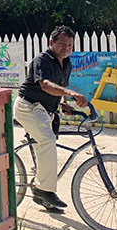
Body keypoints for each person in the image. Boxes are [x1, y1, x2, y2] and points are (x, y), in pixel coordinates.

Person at [14, 25, 88, 211]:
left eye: (70, 45)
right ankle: (44, 190)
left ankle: (42, 195)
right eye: (62, 43)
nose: (66, 48)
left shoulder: (67, 63)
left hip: (46, 110)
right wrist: (71, 93)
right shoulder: (42, 59)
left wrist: (63, 103)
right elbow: (46, 85)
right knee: (47, 140)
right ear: (51, 43)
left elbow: (58, 86)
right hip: (28, 106)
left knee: (45, 145)